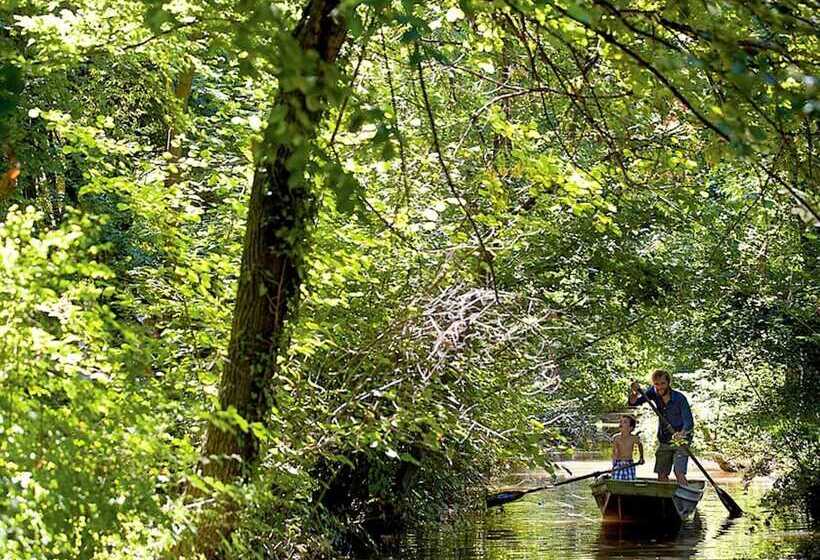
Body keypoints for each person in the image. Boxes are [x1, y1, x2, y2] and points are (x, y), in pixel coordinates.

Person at [629, 369, 694, 486]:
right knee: (661, 473)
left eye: (663, 383)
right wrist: (635, 392)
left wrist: (682, 433)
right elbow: (633, 402)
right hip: (664, 439)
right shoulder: (653, 392)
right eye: (657, 384)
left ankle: (685, 493)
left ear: (668, 383)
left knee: (678, 472)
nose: (659, 387)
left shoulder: (679, 398)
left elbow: (689, 422)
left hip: (681, 440)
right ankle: (665, 495)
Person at [611, 414, 644, 481]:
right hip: (619, 463)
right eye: (620, 421)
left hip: (629, 463)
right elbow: (614, 451)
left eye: (625, 422)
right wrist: (614, 464)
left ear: (631, 428)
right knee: (617, 480)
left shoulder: (634, 438)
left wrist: (641, 457)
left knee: (630, 481)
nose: (621, 424)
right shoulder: (616, 438)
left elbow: (640, 445)